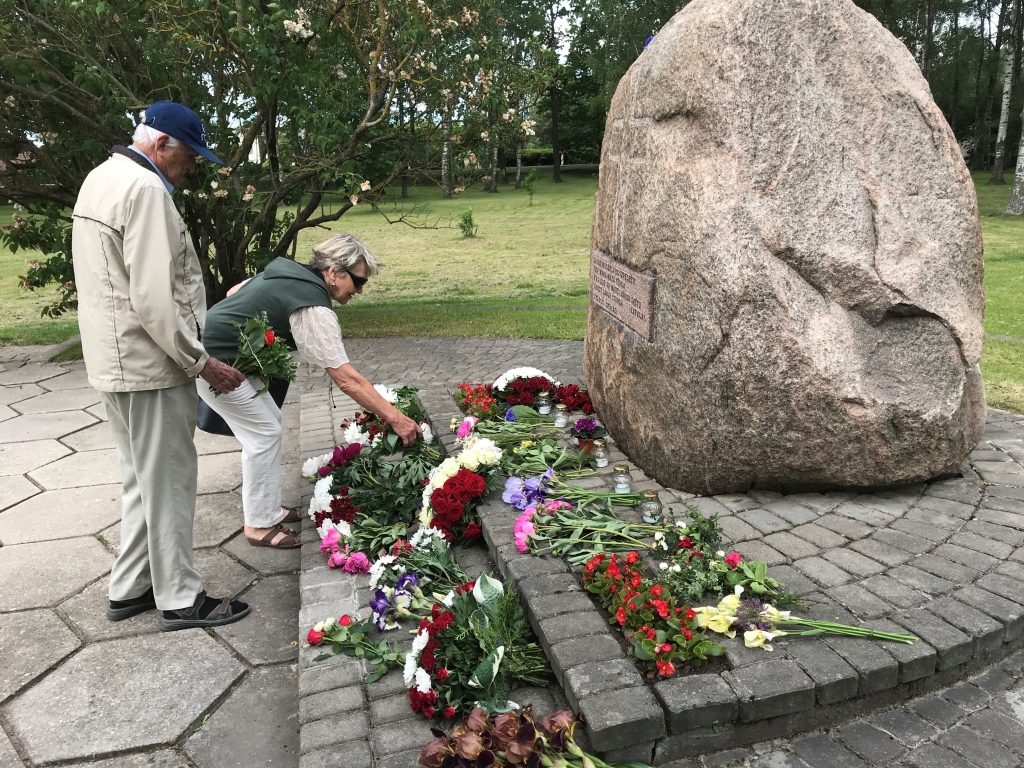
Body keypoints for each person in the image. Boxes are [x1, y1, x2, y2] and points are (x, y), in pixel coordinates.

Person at [73, 101, 252, 631]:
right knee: (170, 481)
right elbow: (153, 298)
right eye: (189, 155)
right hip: (150, 364)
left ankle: (131, 587)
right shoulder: (146, 190)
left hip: (114, 360)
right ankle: (180, 597)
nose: (191, 167)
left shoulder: (101, 177)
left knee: (141, 479)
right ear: (160, 144)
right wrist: (200, 362)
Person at [198, 233, 422, 548]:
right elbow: (346, 379)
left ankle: (267, 509)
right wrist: (395, 418)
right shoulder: (312, 305)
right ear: (332, 272)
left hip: (225, 355)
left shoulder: (290, 273)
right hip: (214, 364)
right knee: (263, 434)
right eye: (358, 281)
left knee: (267, 428)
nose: (359, 290)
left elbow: (235, 291)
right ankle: (258, 525)